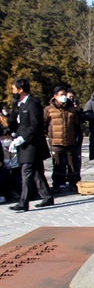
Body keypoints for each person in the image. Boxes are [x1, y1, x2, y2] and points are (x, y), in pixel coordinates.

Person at [8, 77, 54, 212]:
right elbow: (17, 123)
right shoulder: (20, 104)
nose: (13, 91)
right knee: (37, 172)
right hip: (24, 144)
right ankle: (47, 196)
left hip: (32, 145)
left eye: (14, 88)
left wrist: (23, 138)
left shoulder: (33, 103)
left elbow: (36, 125)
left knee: (26, 172)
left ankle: (23, 202)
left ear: (21, 89)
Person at [43, 85, 82, 192]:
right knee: (58, 164)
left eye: (65, 94)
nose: (64, 97)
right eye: (61, 95)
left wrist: (78, 110)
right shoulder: (49, 109)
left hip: (70, 141)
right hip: (56, 142)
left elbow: (77, 124)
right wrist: (49, 135)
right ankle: (57, 185)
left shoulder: (71, 109)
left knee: (72, 164)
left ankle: (74, 184)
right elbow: (44, 124)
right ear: (55, 96)